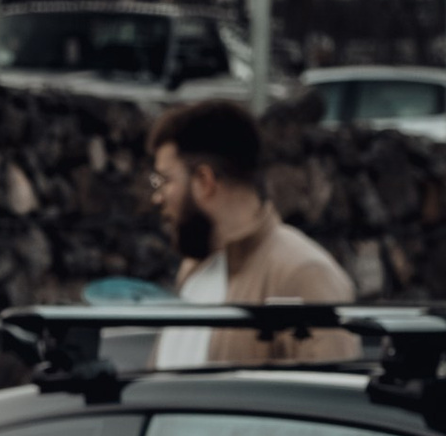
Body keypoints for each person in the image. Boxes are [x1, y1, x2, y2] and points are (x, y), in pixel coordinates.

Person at [146, 95, 355, 369]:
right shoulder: (194, 268)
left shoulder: (304, 275)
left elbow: (329, 402)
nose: (157, 198)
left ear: (205, 181)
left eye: (164, 180)